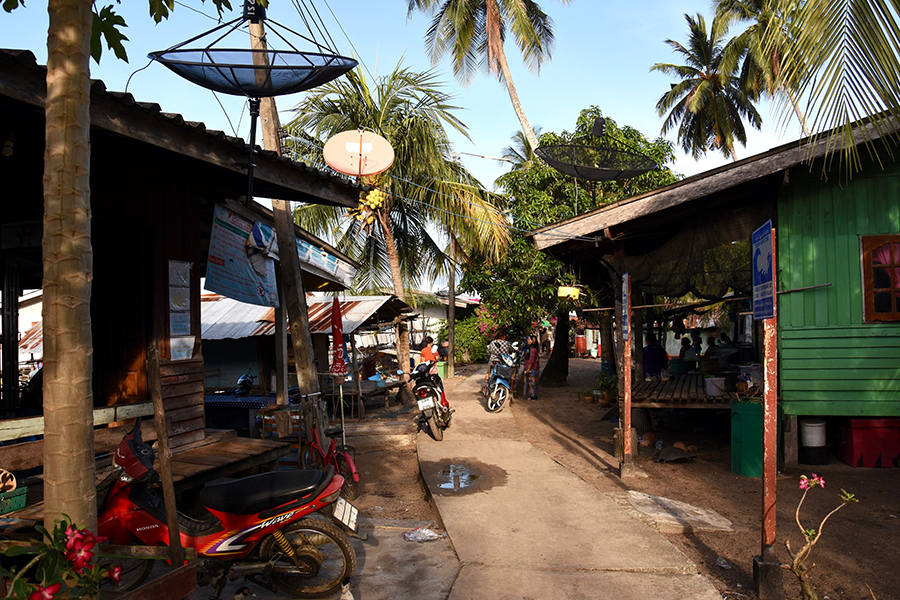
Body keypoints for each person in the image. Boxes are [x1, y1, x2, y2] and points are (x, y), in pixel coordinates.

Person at [523, 334, 540, 400]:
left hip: (532, 368)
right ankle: (529, 395)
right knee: (529, 382)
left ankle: (533, 396)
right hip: (528, 368)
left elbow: (531, 360)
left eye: (529, 339)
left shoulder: (533, 350)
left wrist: (528, 369)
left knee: (532, 382)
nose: (528, 340)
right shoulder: (529, 348)